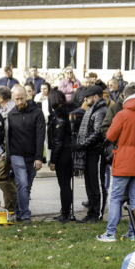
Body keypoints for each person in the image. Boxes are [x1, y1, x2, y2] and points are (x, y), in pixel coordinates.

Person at [98, 88, 135, 242]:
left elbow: (110, 135)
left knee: (116, 197)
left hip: (124, 160)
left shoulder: (122, 114)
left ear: (126, 97)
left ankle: (110, 233)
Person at [5, 85, 45, 223]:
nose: (20, 102)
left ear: (26, 97)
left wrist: (38, 158)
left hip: (32, 155)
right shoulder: (11, 115)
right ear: (12, 98)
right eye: (17, 99)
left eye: (22, 98)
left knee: (27, 185)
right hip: (16, 154)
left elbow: (40, 136)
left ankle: (18, 211)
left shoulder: (37, 113)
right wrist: (9, 158)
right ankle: (25, 214)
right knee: (22, 183)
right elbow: (8, 137)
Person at [75, 86, 108, 223]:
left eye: (87, 97)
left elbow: (98, 133)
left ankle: (97, 214)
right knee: (89, 183)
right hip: (89, 152)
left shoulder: (101, 111)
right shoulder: (92, 109)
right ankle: (91, 212)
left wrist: (81, 144)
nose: (85, 99)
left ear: (96, 97)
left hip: (97, 153)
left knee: (96, 184)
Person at [47, 89, 77, 222]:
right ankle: (66, 211)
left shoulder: (59, 116)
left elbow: (57, 141)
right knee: (66, 184)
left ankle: (65, 213)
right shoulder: (68, 113)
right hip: (69, 151)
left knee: (63, 184)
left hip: (63, 153)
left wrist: (53, 160)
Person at [0, 85, 17, 214]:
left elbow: (12, 134)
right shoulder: (4, 109)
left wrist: (12, 154)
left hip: (8, 151)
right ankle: (10, 207)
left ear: (1, 97)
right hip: (5, 150)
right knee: (9, 178)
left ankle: (19, 202)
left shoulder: (11, 110)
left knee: (0, 178)